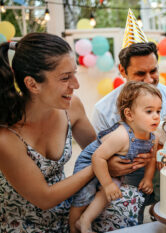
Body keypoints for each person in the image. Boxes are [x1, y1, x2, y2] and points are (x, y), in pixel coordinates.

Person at [0, 33, 96, 232]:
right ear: (32, 84)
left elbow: (97, 149)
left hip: (66, 213)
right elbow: (45, 198)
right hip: (22, 226)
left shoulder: (72, 107)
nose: (76, 84)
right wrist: (99, 166)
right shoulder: (6, 137)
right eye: (65, 78)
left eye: (74, 73)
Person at [70, 81, 162, 233]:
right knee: (83, 197)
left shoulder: (153, 137)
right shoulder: (121, 136)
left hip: (112, 168)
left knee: (110, 193)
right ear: (129, 114)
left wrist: (147, 178)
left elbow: (152, 158)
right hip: (92, 162)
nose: (156, 117)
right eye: (149, 111)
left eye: (158, 111)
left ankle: (85, 220)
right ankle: (72, 226)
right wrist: (107, 184)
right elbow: (97, 158)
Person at [91, 42, 166, 178]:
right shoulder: (103, 110)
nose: (149, 79)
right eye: (140, 73)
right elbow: (95, 154)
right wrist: (109, 165)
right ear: (122, 71)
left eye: (153, 71)